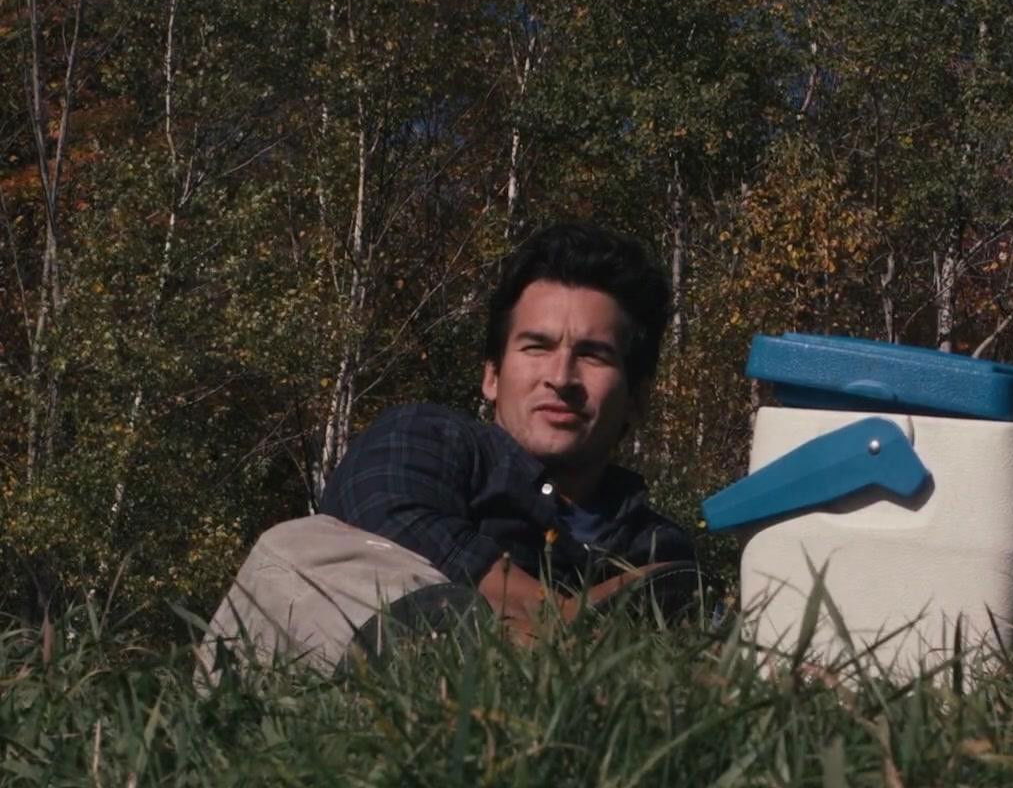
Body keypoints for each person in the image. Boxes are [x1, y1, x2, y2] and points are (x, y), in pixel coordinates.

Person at [201, 223, 696, 674]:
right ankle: (503, 651)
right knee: (300, 548)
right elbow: (380, 504)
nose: (560, 377)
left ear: (637, 398)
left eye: (593, 355)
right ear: (492, 376)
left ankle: (505, 661)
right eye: (536, 347)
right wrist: (551, 613)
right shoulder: (433, 438)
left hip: (540, 728)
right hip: (328, 699)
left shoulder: (654, 549)